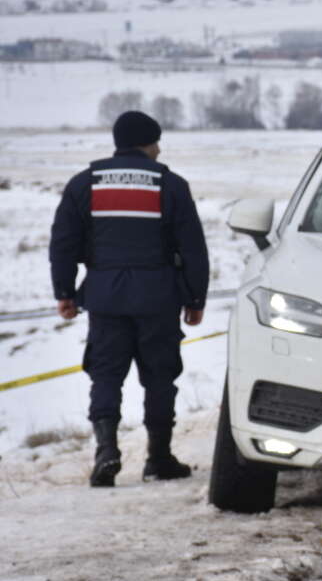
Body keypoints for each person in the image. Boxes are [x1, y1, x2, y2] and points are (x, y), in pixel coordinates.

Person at [48, 110, 209, 487]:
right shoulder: (170, 185)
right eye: (156, 142)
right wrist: (195, 298)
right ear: (147, 144)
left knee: (105, 375)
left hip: (105, 299)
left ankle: (106, 452)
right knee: (159, 377)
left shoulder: (83, 184)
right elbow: (194, 248)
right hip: (158, 298)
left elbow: (63, 243)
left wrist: (65, 292)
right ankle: (159, 458)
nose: (159, 149)